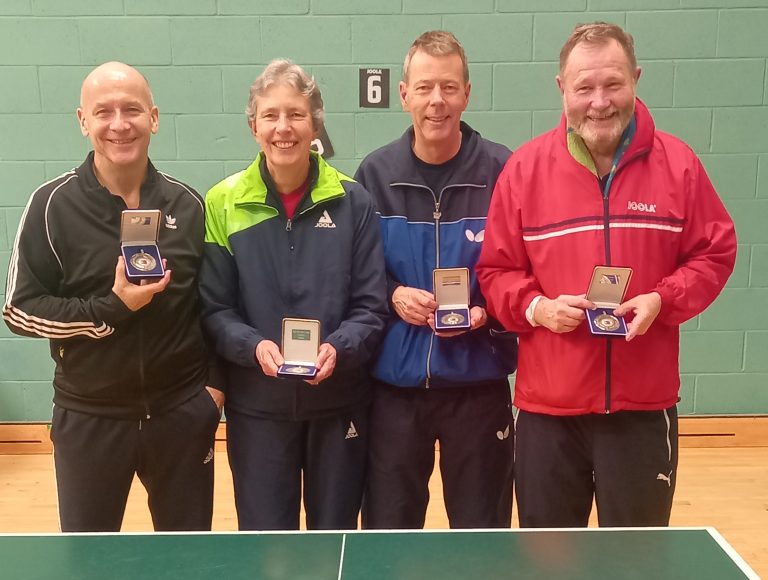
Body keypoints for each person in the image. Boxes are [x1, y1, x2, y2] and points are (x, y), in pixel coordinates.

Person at [477, 22, 737, 527]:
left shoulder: (679, 166)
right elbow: (496, 271)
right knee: (549, 559)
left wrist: (662, 299)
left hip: (642, 411)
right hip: (548, 413)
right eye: (584, 87)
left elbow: (715, 252)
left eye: (613, 84)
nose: (599, 102)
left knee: (635, 560)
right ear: (562, 89)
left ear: (636, 79)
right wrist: (538, 308)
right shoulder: (524, 171)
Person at [2, 62, 224, 532]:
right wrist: (112, 309)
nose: (119, 124)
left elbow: (212, 306)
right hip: (90, 418)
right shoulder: (51, 205)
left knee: (188, 558)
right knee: (90, 557)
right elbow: (20, 310)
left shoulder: (188, 205)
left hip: (181, 416)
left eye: (132, 110)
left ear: (154, 118)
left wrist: (213, 392)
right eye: (103, 112)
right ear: (83, 121)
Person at [199, 59, 387, 531]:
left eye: (296, 114)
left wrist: (338, 348)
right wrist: (253, 346)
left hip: (339, 404)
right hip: (258, 409)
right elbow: (216, 309)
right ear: (254, 126)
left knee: (334, 540)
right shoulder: (222, 201)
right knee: (268, 547)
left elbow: (371, 306)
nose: (283, 128)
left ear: (315, 124)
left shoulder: (354, 201)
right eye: (270, 115)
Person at [355, 30, 517, 530]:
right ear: (404, 95)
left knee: (481, 535)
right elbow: (357, 272)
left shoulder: (503, 170)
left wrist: (486, 310)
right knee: (389, 536)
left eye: (449, 87)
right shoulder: (374, 174)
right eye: (424, 87)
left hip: (479, 382)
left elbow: (521, 268)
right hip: (395, 388)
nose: (437, 101)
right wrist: (393, 294)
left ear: (467, 93)